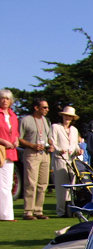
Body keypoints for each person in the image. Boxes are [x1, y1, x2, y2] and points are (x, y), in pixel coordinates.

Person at [18, 98, 54, 220]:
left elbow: (48, 137)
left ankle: (39, 210)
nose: (47, 110)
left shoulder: (46, 121)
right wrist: (32, 145)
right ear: (36, 108)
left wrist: (51, 145)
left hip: (44, 154)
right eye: (44, 107)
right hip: (31, 153)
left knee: (43, 183)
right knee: (30, 182)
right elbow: (19, 138)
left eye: (47, 107)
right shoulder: (25, 120)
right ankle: (28, 211)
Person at [49, 106, 84, 217]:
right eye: (66, 116)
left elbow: (75, 145)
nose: (68, 118)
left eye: (70, 116)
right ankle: (60, 211)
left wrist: (79, 151)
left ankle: (69, 210)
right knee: (61, 186)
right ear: (63, 116)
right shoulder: (55, 127)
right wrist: (59, 149)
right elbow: (52, 142)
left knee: (71, 186)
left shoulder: (74, 130)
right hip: (60, 159)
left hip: (71, 160)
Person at [0, 89, 20, 221]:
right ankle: (6, 215)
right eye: (2, 98)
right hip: (1, 151)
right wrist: (3, 141)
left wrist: (16, 140)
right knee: (2, 185)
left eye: (7, 98)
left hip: (11, 152)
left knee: (7, 184)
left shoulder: (13, 116)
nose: (5, 100)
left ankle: (6, 214)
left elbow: (16, 133)